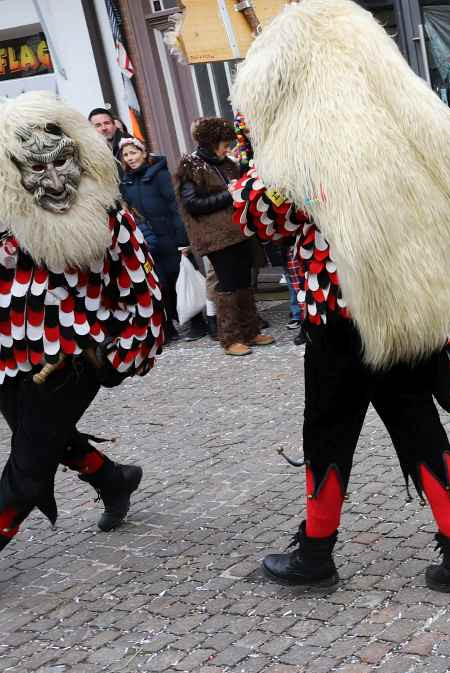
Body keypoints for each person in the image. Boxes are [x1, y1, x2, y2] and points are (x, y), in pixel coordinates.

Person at [229, 0, 450, 598]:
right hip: (398, 301)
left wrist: (255, 150)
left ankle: (317, 555)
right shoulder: (397, 126)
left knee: (326, 429)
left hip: (337, 312)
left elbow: (260, 215)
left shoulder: (307, 141)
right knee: (417, 424)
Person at [0, 92, 166, 557]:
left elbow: (142, 286)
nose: (54, 181)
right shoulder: (6, 213)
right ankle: (113, 480)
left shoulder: (105, 210)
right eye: (37, 169)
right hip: (9, 356)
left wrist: (127, 353)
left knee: (29, 462)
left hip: (72, 356)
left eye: (61, 164)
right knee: (45, 438)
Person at [175, 117, 273, 357]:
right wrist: (229, 194)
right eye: (224, 143)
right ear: (211, 142)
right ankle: (229, 338)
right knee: (227, 285)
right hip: (215, 238)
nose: (227, 148)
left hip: (239, 233)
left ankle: (250, 330)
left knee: (244, 283)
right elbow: (193, 204)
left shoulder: (228, 163)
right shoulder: (192, 166)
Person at [119, 137, 186, 344]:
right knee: (158, 284)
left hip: (169, 237)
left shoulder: (160, 175)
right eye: (126, 155)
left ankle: (195, 320)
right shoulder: (126, 183)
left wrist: (183, 239)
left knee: (178, 280)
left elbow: (176, 208)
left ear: (144, 153)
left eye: (134, 152)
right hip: (148, 241)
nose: (130, 158)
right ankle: (167, 327)